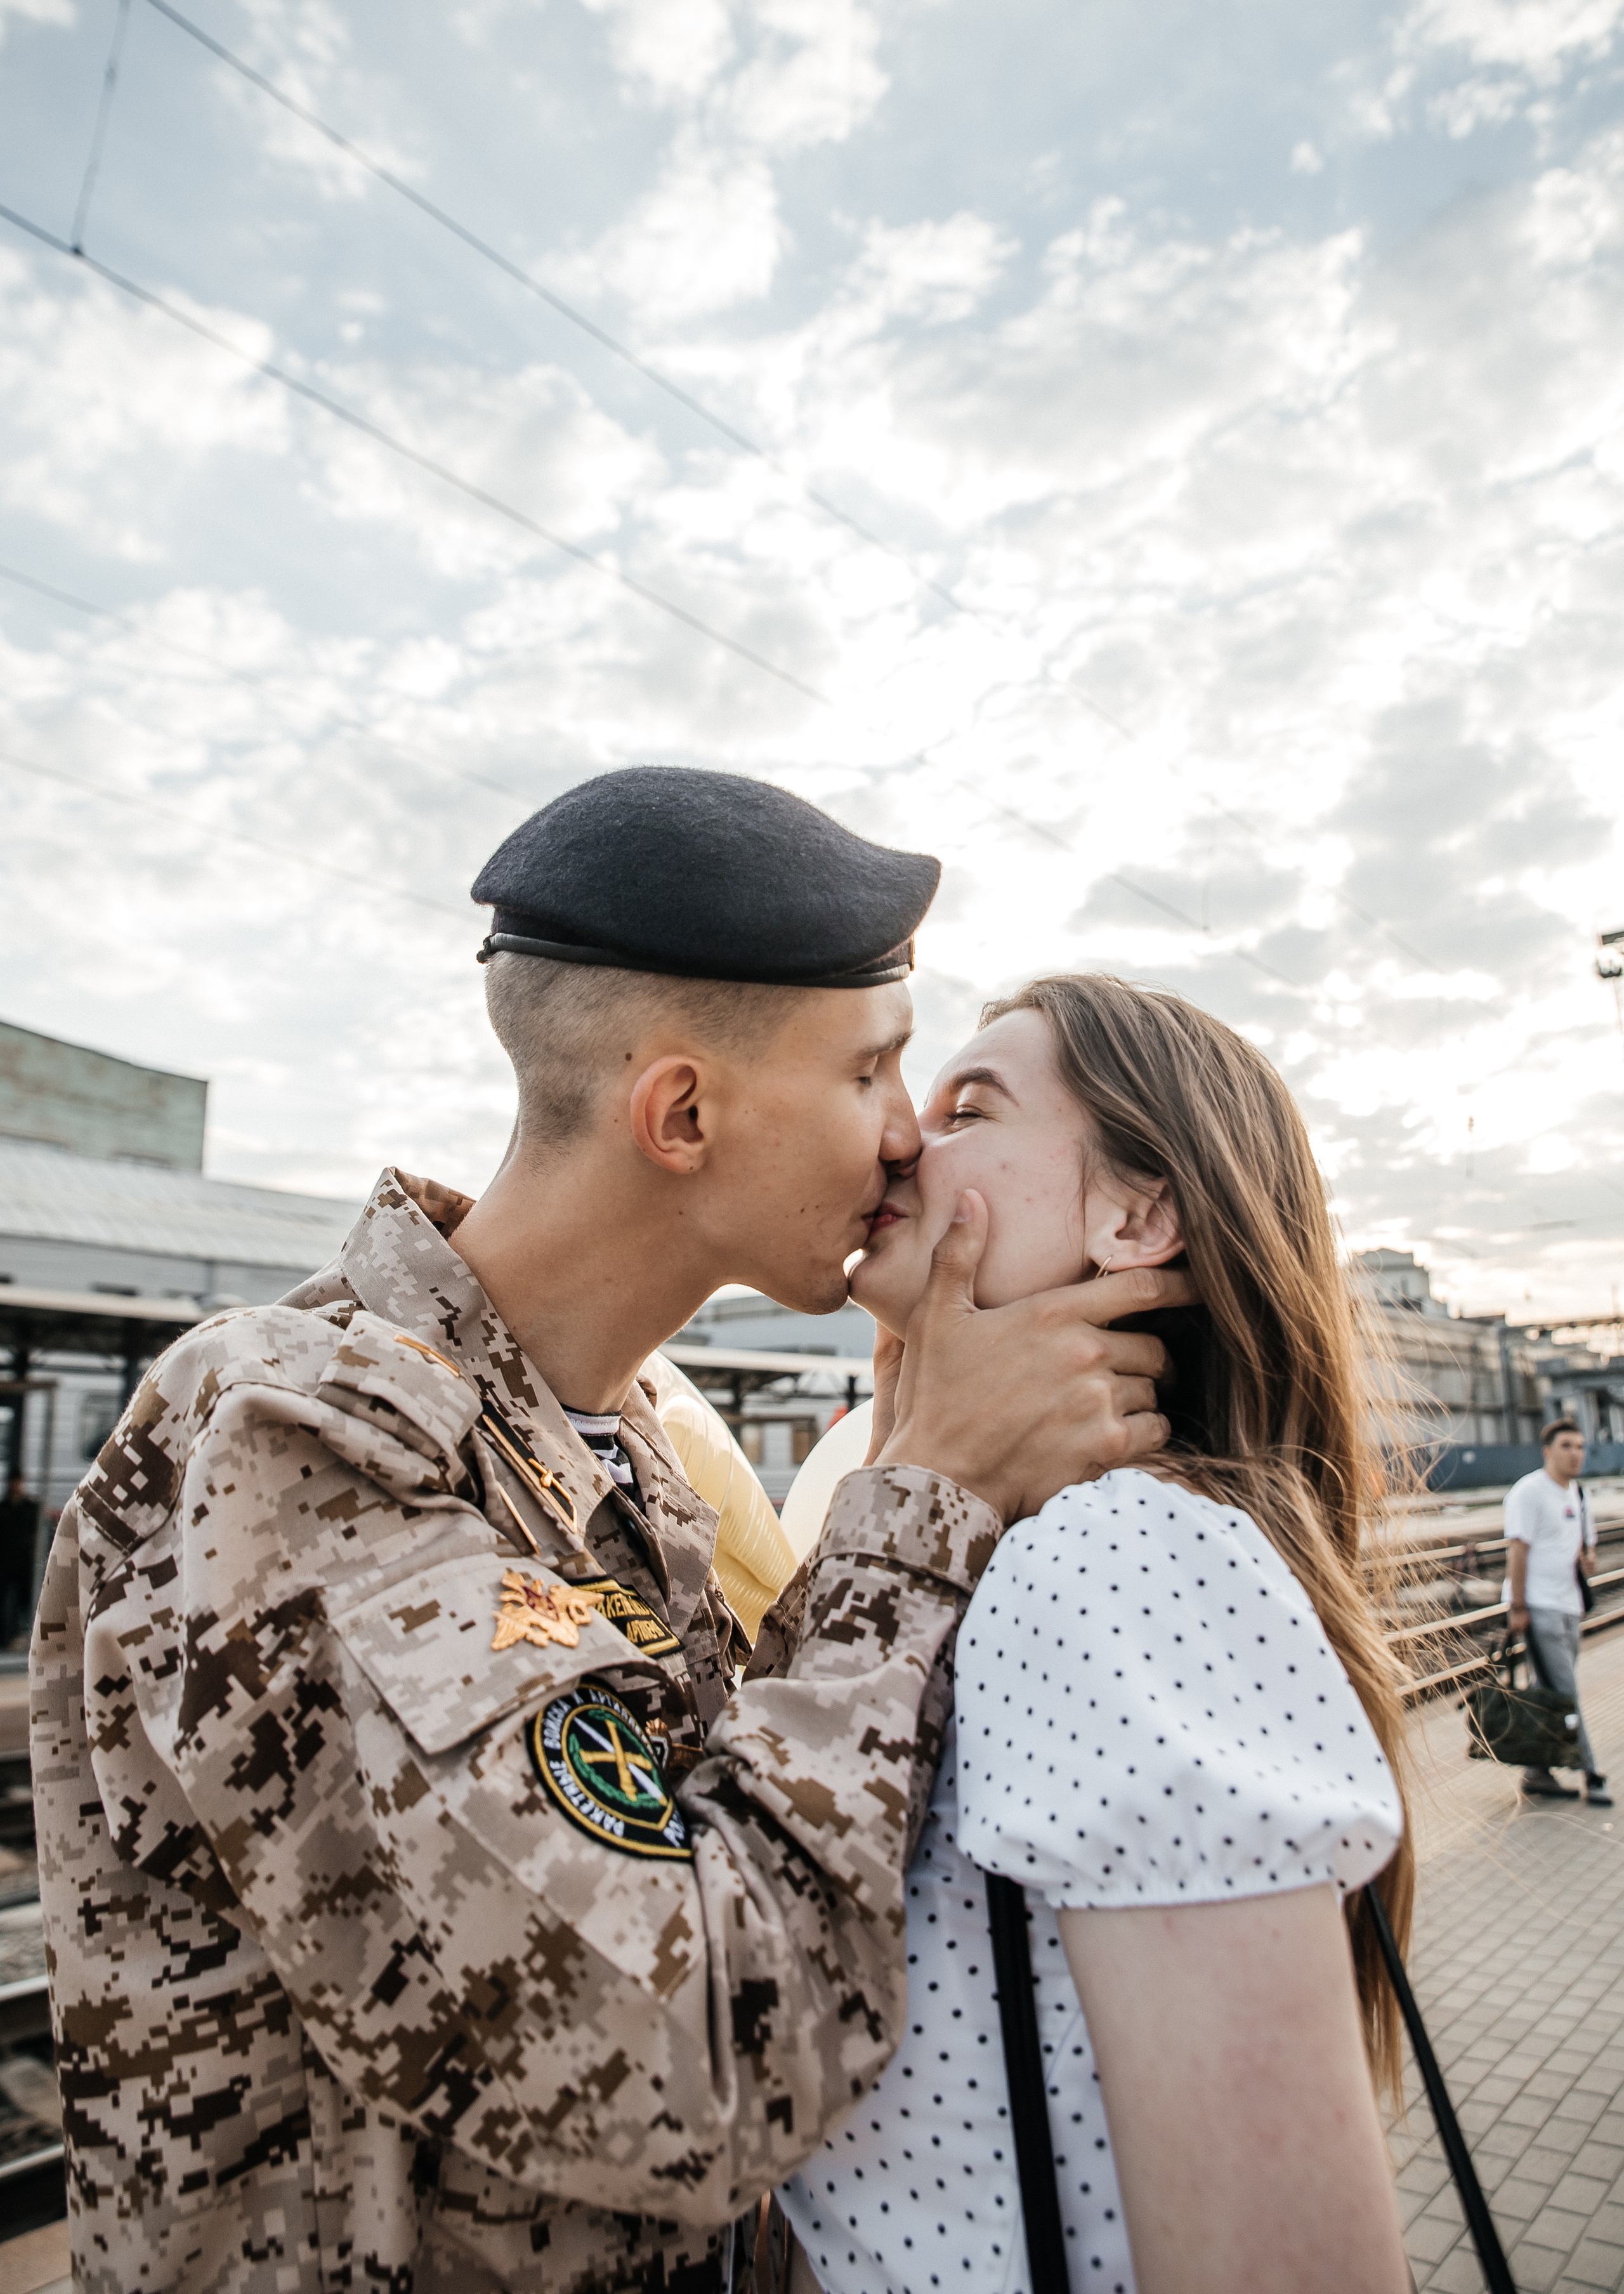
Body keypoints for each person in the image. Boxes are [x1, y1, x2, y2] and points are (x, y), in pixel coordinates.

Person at [30, 769, 1191, 2294]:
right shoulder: (296, 1434)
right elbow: (690, 2072)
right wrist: (924, 1501)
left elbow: (721, 1824)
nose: (905, 1140)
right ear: (683, 1112)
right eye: (868, 1075)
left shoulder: (625, 1444)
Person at [780, 973, 1413, 2294]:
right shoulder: (1013, 1540)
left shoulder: (1110, 1555)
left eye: (967, 1105)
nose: (900, 1136)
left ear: (1136, 1215)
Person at [1503, 1416, 1609, 1806]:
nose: (1575, 1454)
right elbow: (1518, 1551)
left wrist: (1589, 1559)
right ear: (1548, 1452)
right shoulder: (1529, 1492)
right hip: (1538, 1606)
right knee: (1566, 1692)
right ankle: (1591, 1774)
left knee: (1545, 1690)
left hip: (1570, 1606)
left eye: (1580, 1446)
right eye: (1566, 1446)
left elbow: (1586, 1546)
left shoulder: (1579, 1495)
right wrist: (1517, 1607)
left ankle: (1537, 1772)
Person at [0, 1473, 39, 1649]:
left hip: (24, 1562)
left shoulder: (29, 1507)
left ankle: (23, 1634)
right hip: (7, 1561)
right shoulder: (5, 1507)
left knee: (25, 1599)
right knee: (7, 1600)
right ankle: (7, 1636)